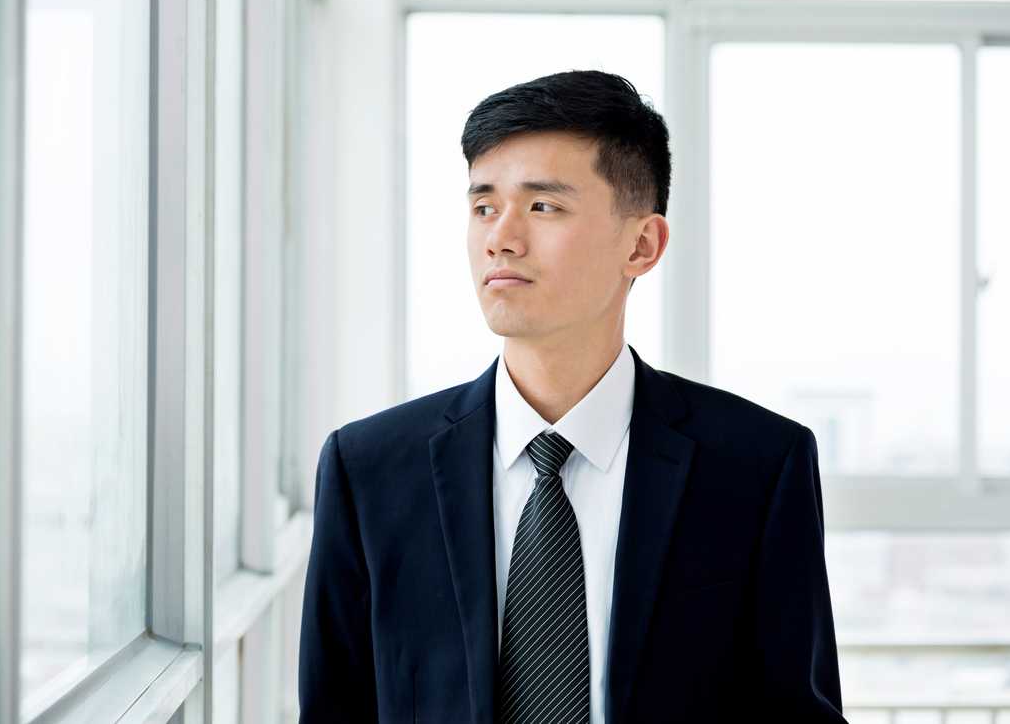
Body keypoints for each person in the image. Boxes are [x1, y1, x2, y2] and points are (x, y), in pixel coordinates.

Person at [299, 69, 847, 723]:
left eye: (542, 206)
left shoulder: (757, 465)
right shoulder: (370, 469)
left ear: (641, 244)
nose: (500, 236)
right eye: (483, 206)